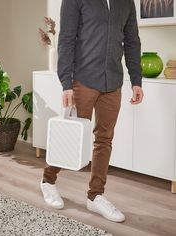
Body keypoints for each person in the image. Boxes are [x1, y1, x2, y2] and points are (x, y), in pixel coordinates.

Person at [40, 0, 144, 223]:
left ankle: (95, 196)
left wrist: (137, 80)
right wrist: (66, 83)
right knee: (70, 137)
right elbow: (66, 40)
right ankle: (48, 181)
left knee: (104, 140)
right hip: (83, 80)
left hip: (113, 82)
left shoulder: (126, 2)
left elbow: (132, 42)